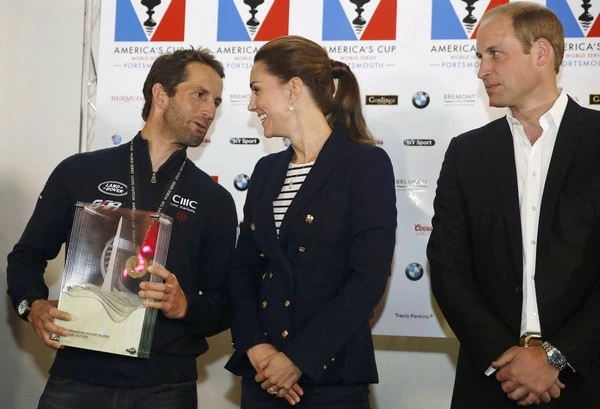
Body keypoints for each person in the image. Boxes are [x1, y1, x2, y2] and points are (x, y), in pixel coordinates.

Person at [6, 47, 238, 409]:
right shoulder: (79, 172)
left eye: (217, 101)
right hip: (78, 377)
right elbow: (26, 256)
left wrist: (185, 306)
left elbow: (225, 303)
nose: (210, 111)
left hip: (166, 387)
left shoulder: (215, 200)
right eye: (200, 95)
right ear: (161, 95)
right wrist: (32, 305)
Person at [427, 2, 600, 408]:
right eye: (479, 57)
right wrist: (507, 359)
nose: (481, 70)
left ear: (541, 53)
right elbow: (448, 267)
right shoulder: (467, 153)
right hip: (492, 379)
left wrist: (557, 356)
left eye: (494, 53)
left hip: (587, 376)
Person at [224, 35, 397, 408]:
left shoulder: (365, 165)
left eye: (257, 90)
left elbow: (367, 280)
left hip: (331, 380)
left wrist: (298, 359)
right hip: (263, 377)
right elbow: (243, 270)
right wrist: (255, 346)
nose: (252, 104)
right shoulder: (266, 170)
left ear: (293, 89)